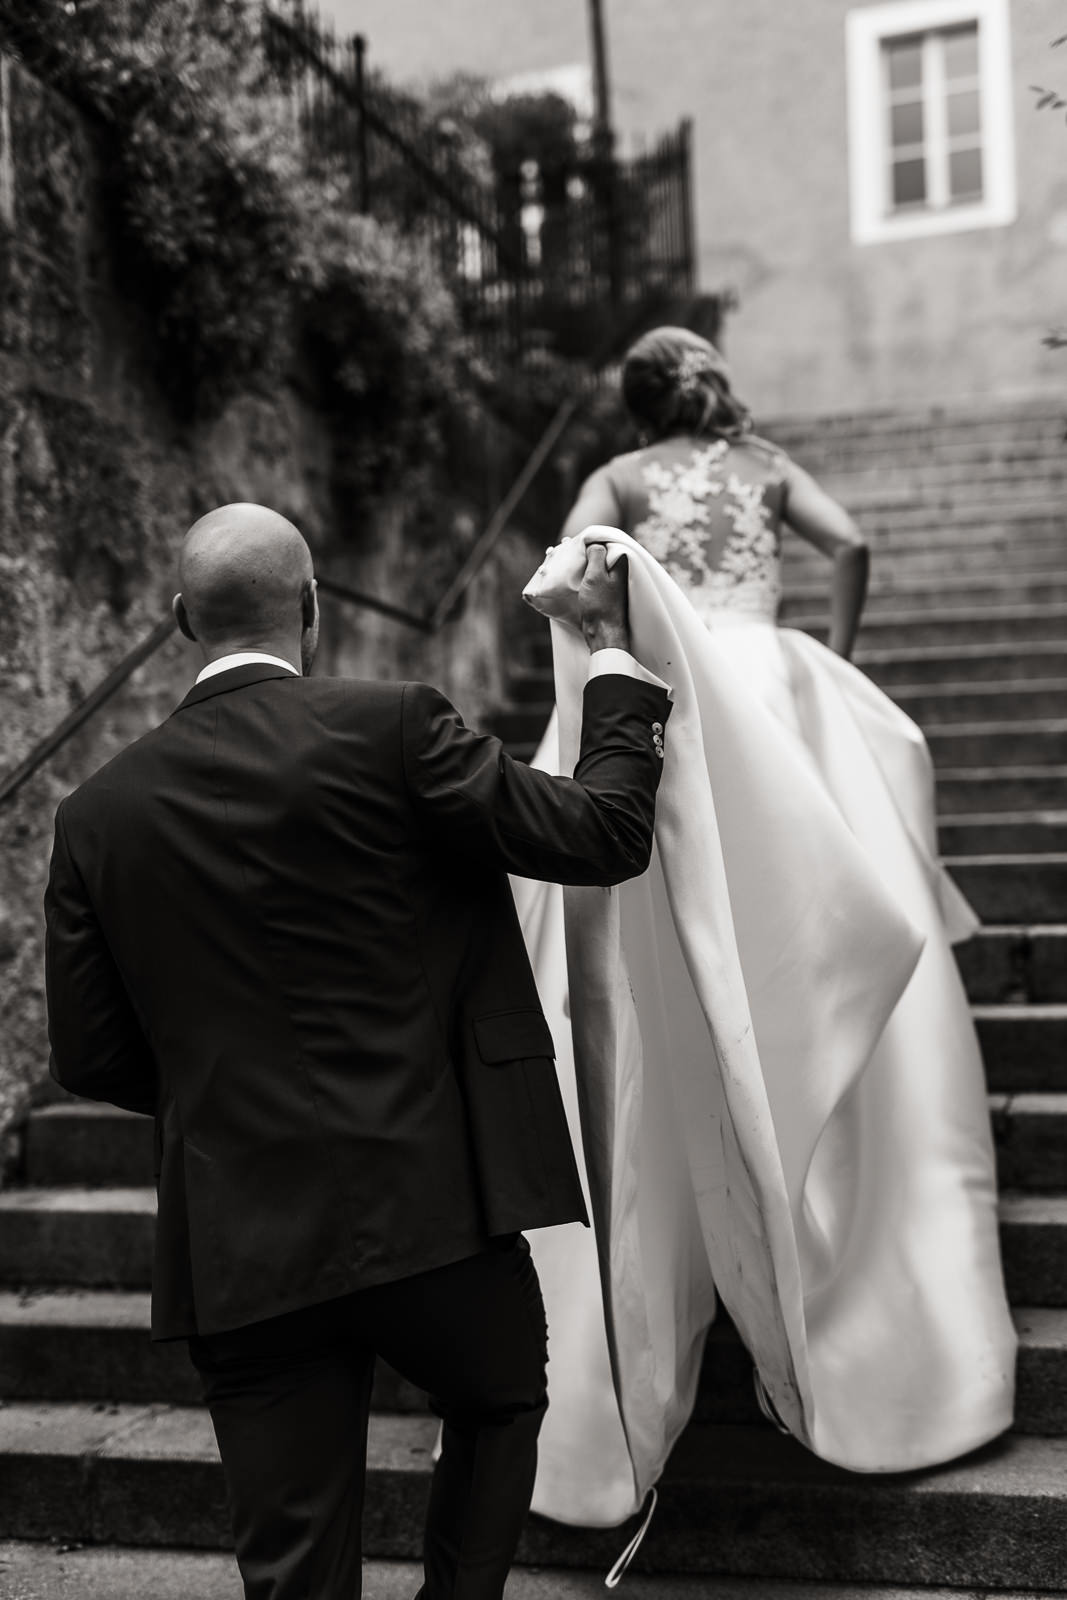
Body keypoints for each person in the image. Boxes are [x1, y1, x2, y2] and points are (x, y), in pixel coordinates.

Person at [43, 502, 672, 1600]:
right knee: (497, 1401)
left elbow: (90, 1054)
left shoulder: (96, 814)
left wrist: (224, 1097)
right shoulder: (392, 727)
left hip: (241, 1240)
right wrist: (612, 662)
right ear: (314, 607)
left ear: (180, 618)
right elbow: (603, 833)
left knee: (293, 1569)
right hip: (430, 1204)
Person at [515, 326, 1016, 1535]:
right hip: (776, 690)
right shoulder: (768, 469)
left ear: (636, 405)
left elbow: (567, 572)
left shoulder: (624, 478)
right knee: (816, 899)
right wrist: (827, 650)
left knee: (651, 932)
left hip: (678, 697)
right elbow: (851, 542)